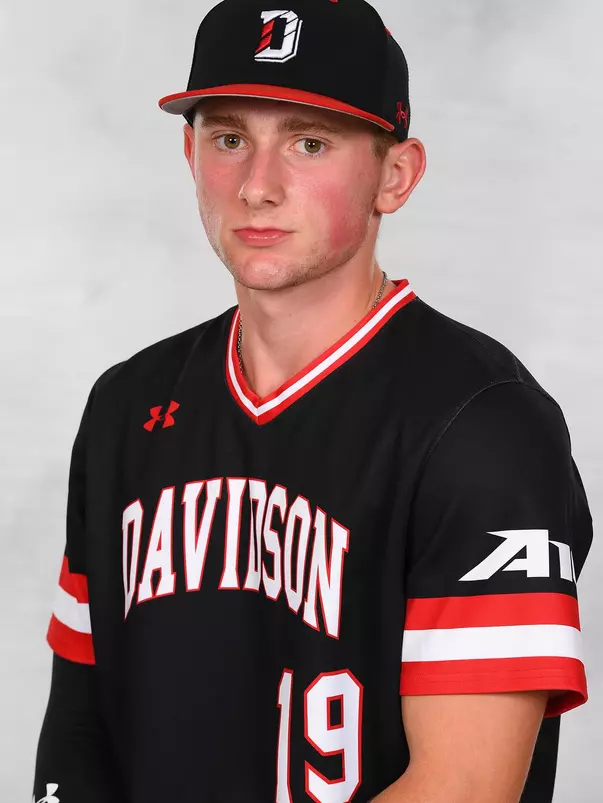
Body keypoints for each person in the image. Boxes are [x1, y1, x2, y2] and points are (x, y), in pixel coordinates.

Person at [33, 0, 593, 801]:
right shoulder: (128, 404)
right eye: (230, 139)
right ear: (190, 152)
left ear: (393, 176)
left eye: (308, 142)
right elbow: (79, 725)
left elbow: (463, 786)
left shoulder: (484, 424)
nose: (258, 186)